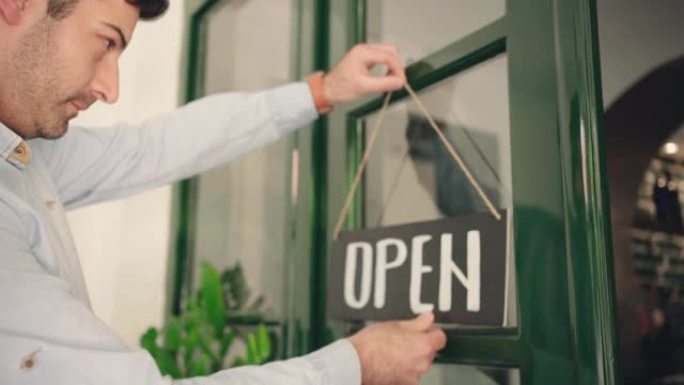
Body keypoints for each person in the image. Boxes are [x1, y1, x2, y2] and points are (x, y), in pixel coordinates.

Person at [0, 0, 447, 384]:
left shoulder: (24, 156)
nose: (110, 88)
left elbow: (152, 149)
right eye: (105, 42)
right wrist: (360, 365)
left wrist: (320, 91)